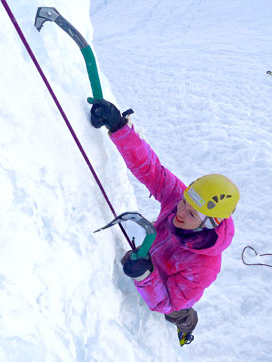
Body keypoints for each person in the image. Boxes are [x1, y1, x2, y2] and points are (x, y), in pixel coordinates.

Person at [89, 98, 240, 346]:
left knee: (179, 314)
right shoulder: (183, 202)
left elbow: (167, 302)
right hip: (154, 257)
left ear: (209, 225)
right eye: (183, 203)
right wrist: (119, 128)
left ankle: (187, 328)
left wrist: (146, 275)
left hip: (175, 297)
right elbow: (152, 170)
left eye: (191, 214)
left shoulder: (203, 267)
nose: (179, 212)